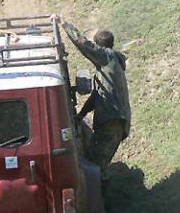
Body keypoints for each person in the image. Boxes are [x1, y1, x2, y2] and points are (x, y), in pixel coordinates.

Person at [52, 15, 131, 181]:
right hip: (112, 121)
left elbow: (84, 45)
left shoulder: (107, 58)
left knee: (94, 168)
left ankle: (103, 203)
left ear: (99, 47)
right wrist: (81, 114)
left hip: (112, 121)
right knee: (93, 165)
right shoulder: (109, 66)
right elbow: (97, 96)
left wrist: (65, 24)